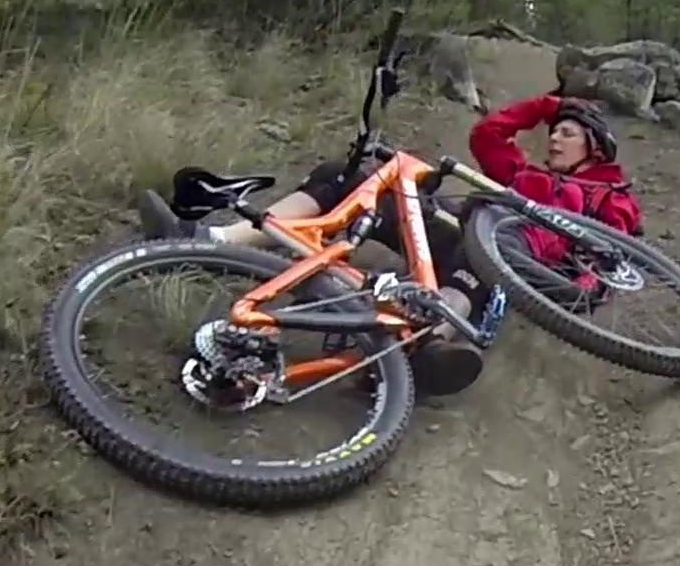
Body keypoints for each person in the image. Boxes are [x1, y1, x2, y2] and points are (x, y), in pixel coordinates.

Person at [137, 94, 641, 396]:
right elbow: (488, 134)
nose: (553, 140)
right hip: (456, 232)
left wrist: (575, 291)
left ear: (594, 145)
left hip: (505, 268)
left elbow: (613, 254)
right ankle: (211, 240)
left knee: (482, 257)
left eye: (566, 133)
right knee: (349, 178)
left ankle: (429, 343)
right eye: (553, 132)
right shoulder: (523, 175)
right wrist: (551, 106)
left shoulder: (610, 196)